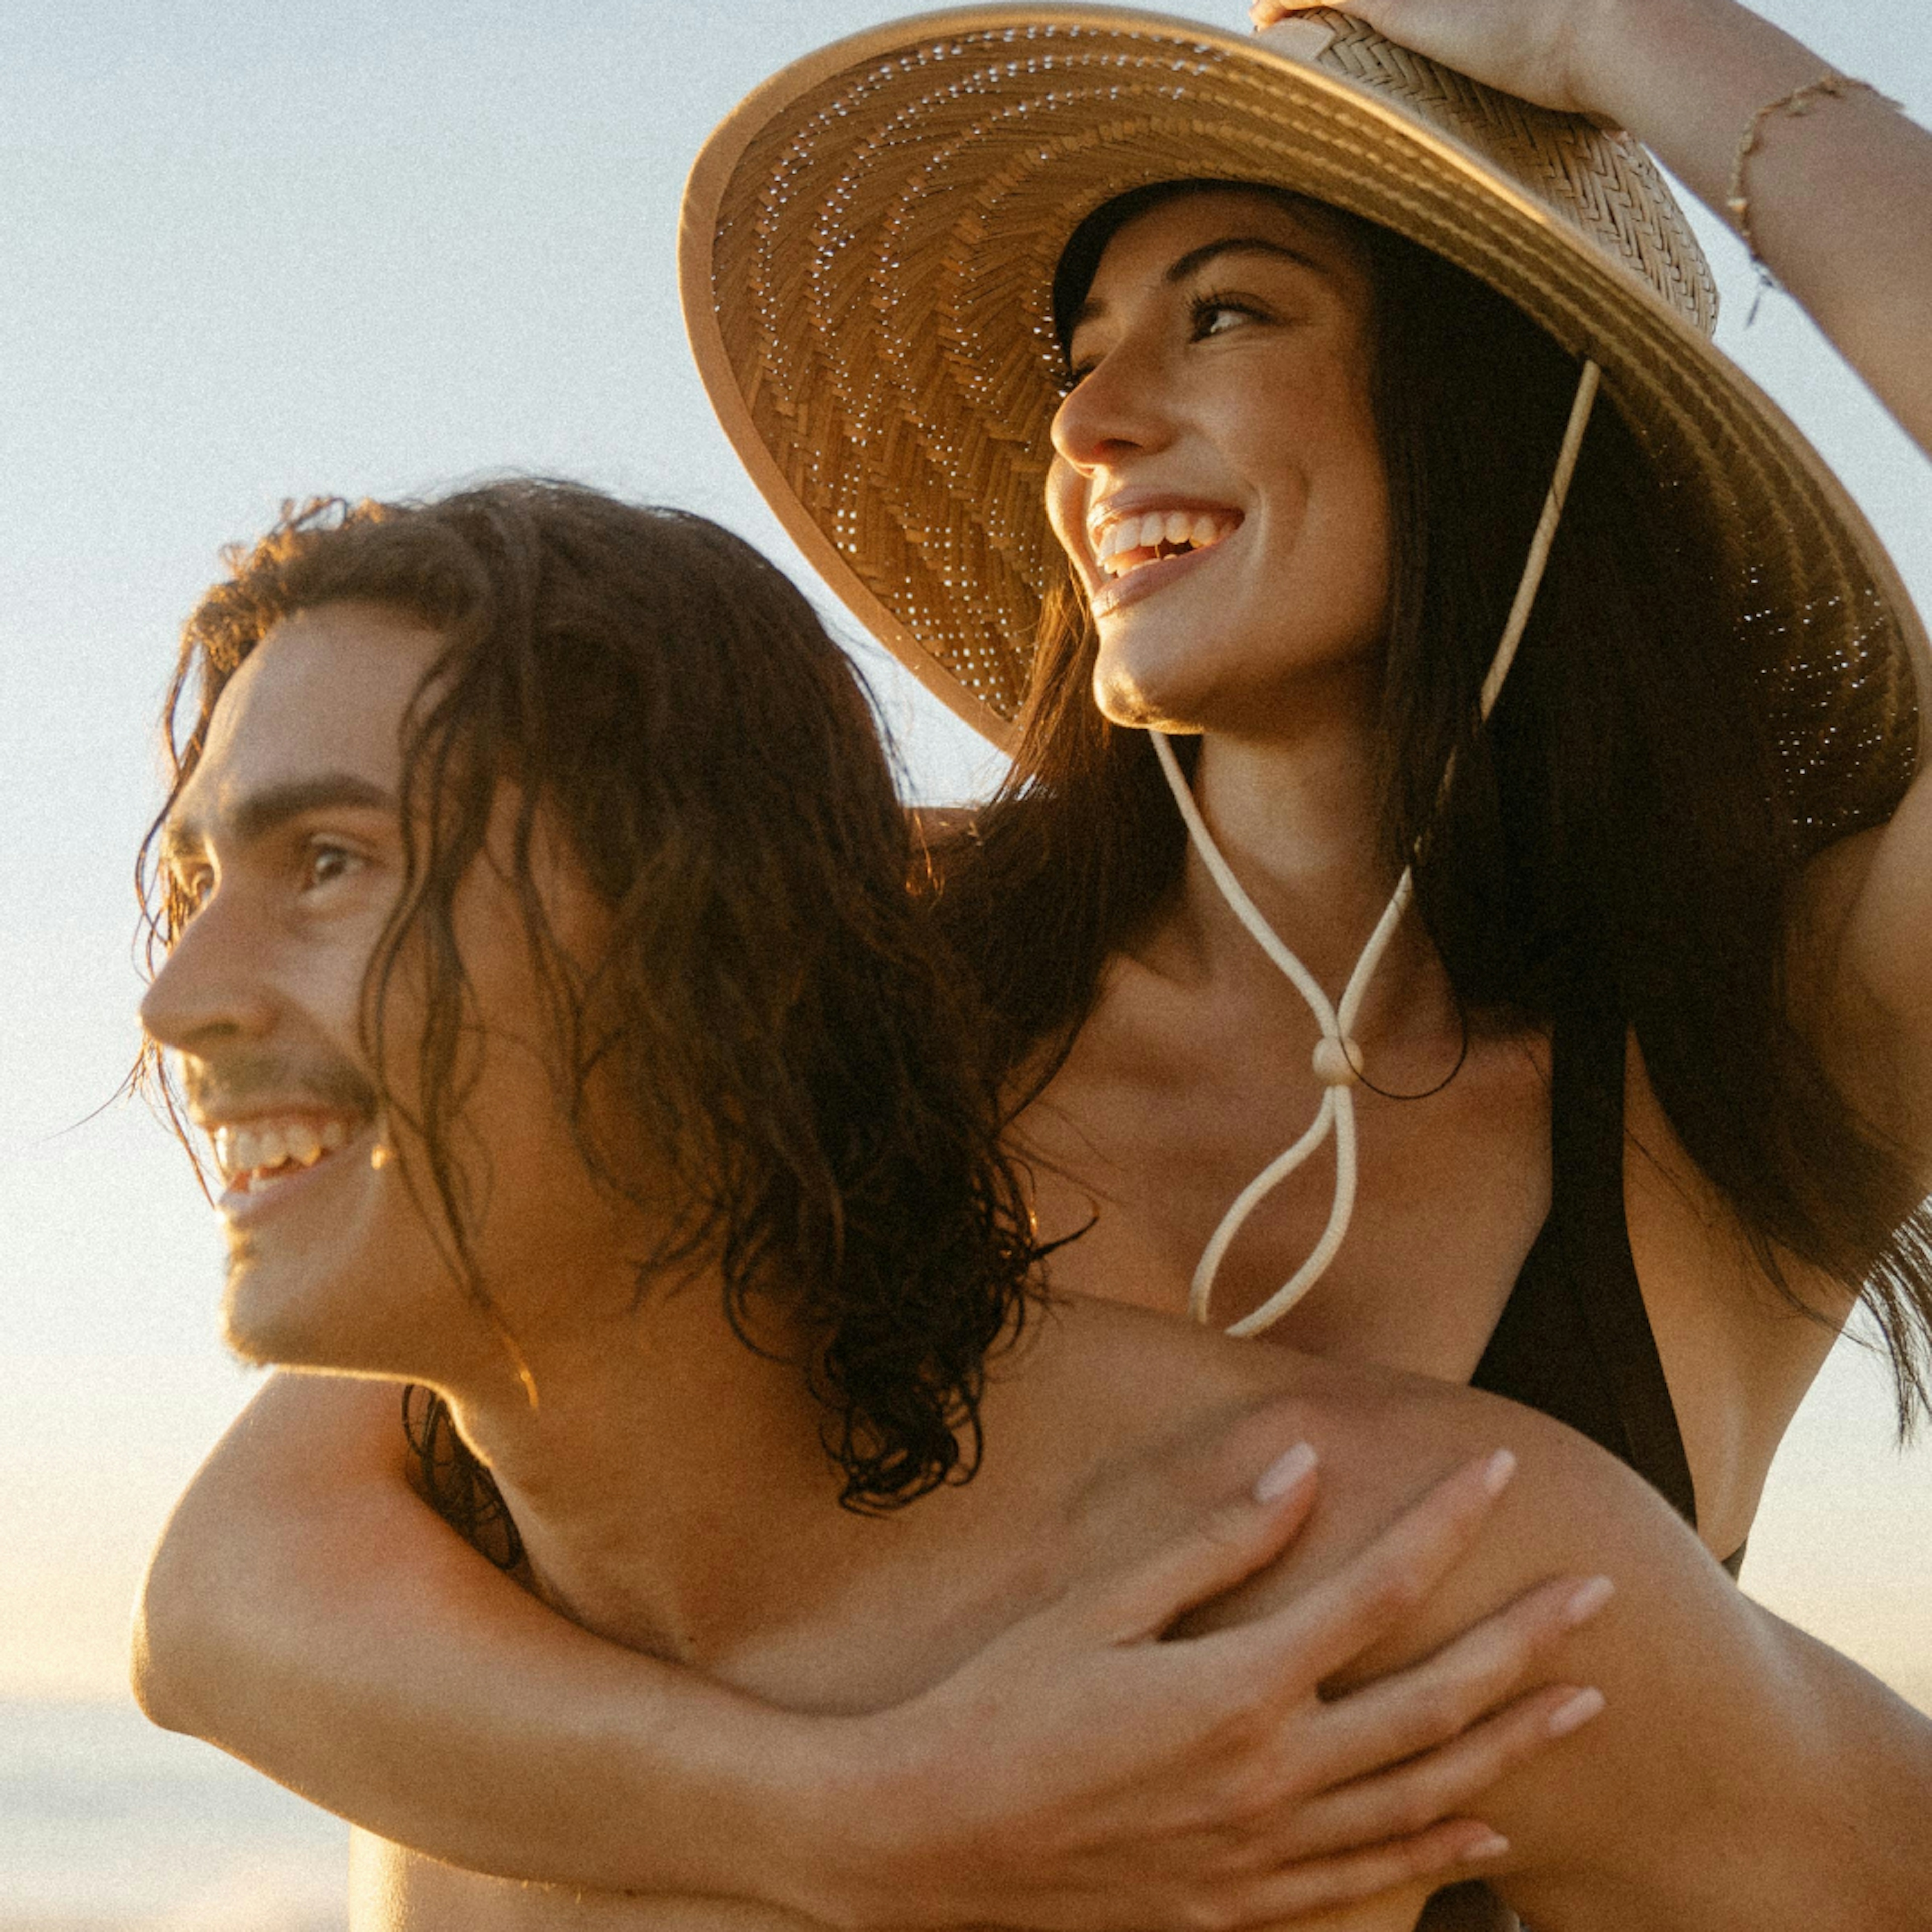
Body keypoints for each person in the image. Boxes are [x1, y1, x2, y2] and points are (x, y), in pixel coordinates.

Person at [134, 0, 1932, 1922]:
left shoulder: (1781, 1028)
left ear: (1518, 396)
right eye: (1078, 361)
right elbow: (246, 1580)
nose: (1090, 420)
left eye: (1225, 316)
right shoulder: (872, 952)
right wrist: (865, 1821)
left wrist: (1628, 40)